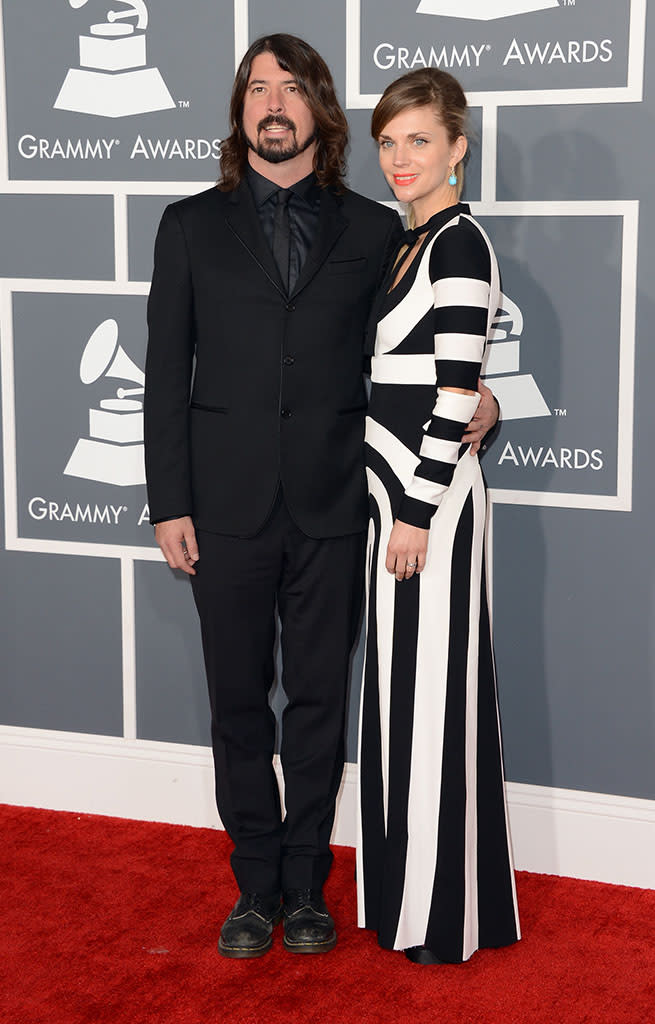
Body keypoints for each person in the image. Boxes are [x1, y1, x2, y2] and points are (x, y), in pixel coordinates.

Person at [144, 36, 499, 960]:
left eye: (291, 87)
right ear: (239, 110)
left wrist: (487, 402)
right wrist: (167, 500)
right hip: (219, 509)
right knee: (235, 705)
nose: (273, 102)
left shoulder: (381, 229)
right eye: (257, 87)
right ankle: (252, 886)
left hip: (340, 504)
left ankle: (307, 885)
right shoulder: (186, 225)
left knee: (316, 706)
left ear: (320, 111)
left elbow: (426, 354)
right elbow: (161, 378)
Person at [356, 68, 520, 965]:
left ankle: (436, 919)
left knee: (430, 701)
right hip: (393, 501)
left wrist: (416, 515)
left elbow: (456, 392)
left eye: (418, 140)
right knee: (402, 700)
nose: (399, 158)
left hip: (429, 510)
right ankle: (405, 903)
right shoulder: (400, 242)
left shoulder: (458, 243)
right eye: (387, 141)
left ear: (458, 147)